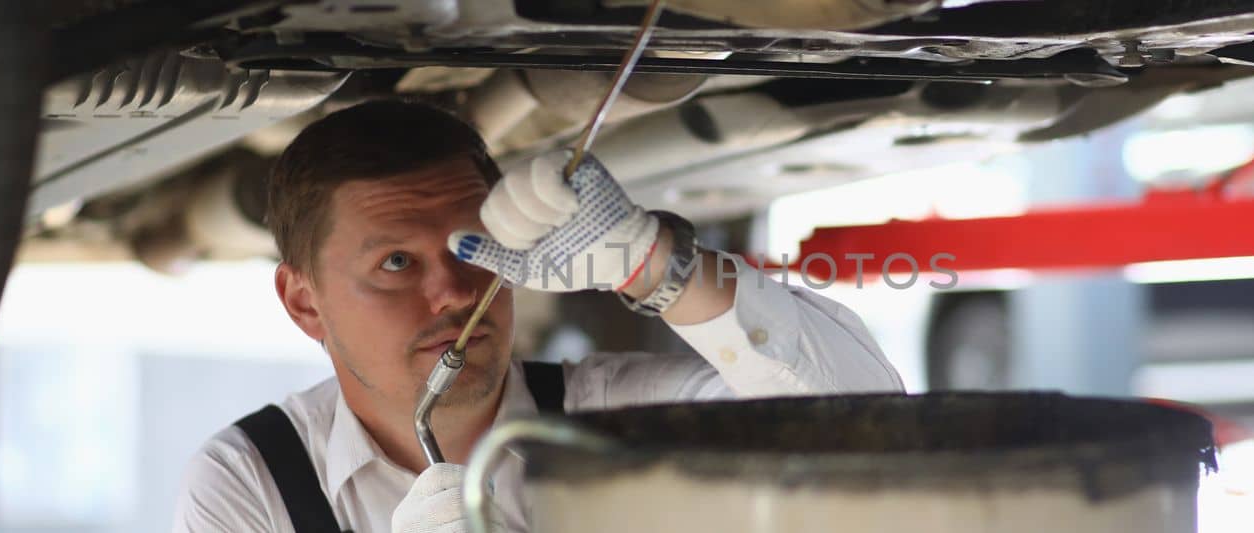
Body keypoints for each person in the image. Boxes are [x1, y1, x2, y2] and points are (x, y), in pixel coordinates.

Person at [170, 99, 904, 533]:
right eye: (397, 263)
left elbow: (873, 439)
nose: (456, 291)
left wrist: (657, 264)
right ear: (305, 302)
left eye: (474, 247)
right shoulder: (254, 482)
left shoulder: (614, 422)